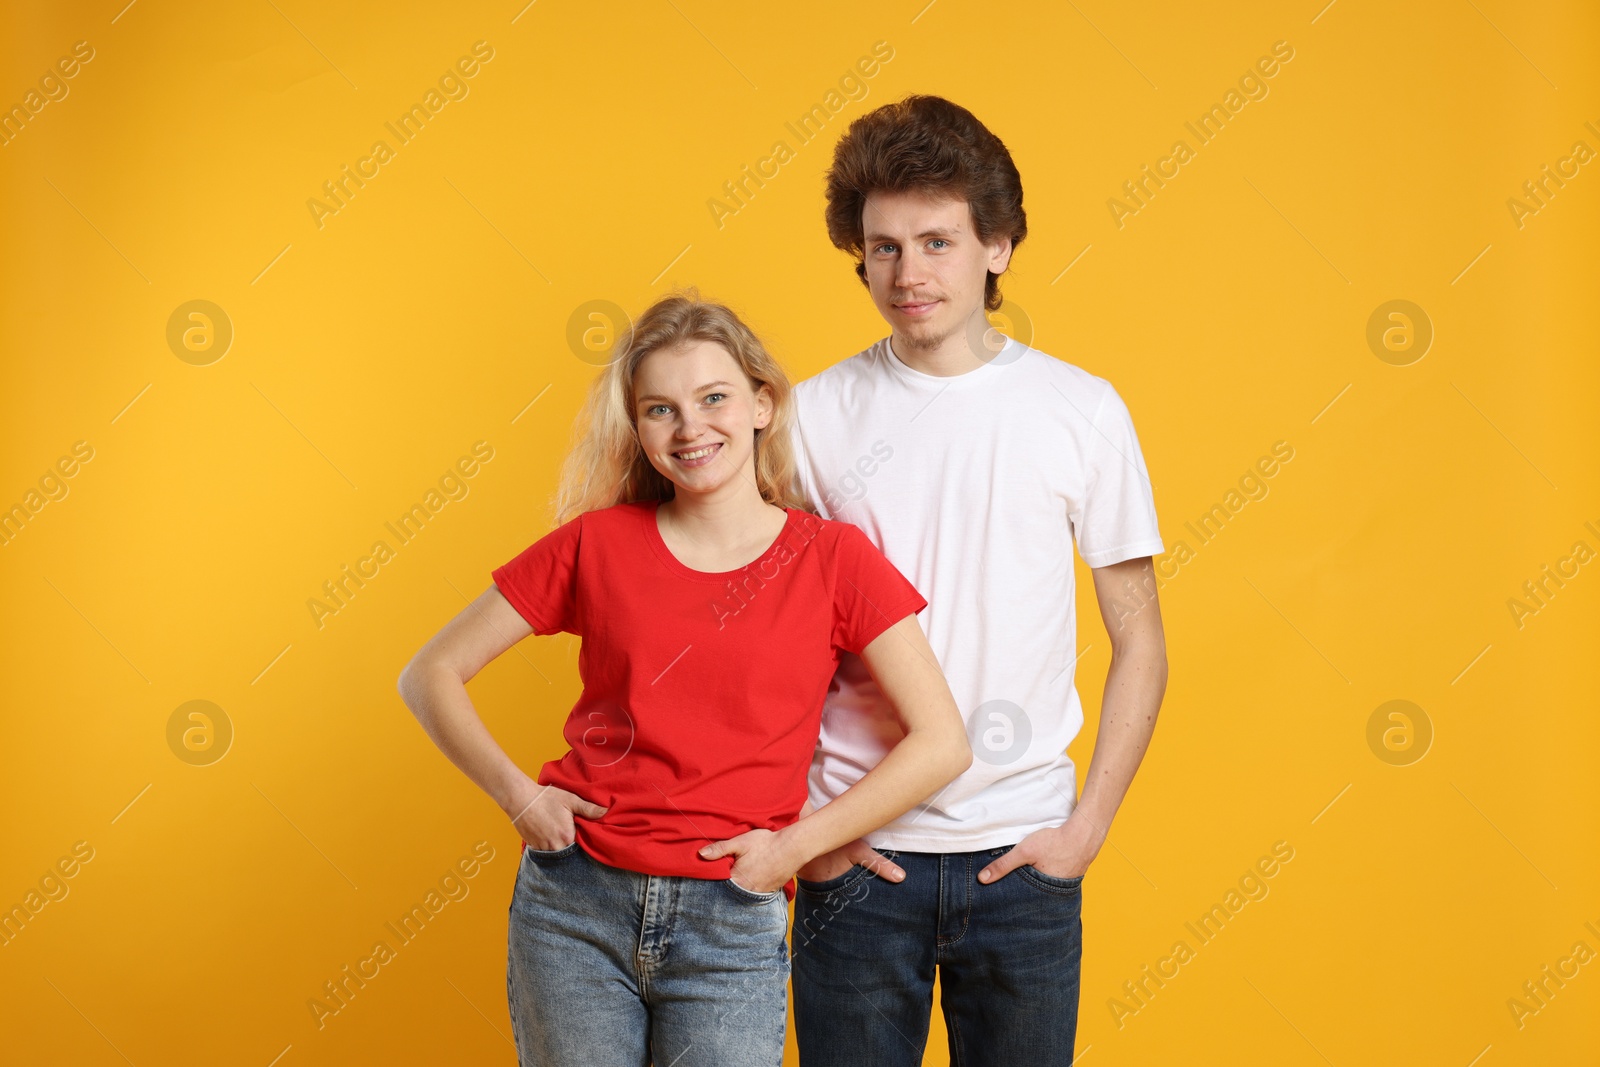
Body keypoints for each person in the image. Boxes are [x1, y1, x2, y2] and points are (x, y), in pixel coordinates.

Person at [395, 292, 971, 1067]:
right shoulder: (596, 545)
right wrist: (521, 796)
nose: (691, 427)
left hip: (732, 914)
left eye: (714, 398)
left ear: (762, 403)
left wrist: (793, 847)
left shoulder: (832, 559)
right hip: (573, 905)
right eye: (660, 409)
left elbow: (942, 742)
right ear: (638, 428)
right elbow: (429, 672)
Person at [786, 95, 1171, 1064]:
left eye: (936, 241)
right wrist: (802, 827)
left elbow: (1141, 641)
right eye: (881, 248)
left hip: (1022, 865)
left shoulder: (1080, 410)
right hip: (855, 864)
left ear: (997, 245)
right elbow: (758, 637)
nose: (907, 274)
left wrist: (1086, 827)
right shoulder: (805, 418)